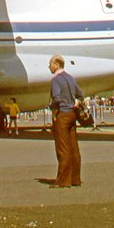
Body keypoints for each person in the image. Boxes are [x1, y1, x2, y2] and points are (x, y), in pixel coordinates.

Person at [49, 55, 83, 188]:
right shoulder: (71, 78)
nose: (49, 67)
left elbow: (56, 98)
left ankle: (63, 180)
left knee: (62, 148)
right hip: (72, 115)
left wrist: (53, 108)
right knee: (74, 147)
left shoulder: (55, 80)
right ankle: (75, 179)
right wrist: (74, 102)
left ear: (56, 65)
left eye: (50, 64)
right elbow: (79, 94)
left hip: (62, 115)